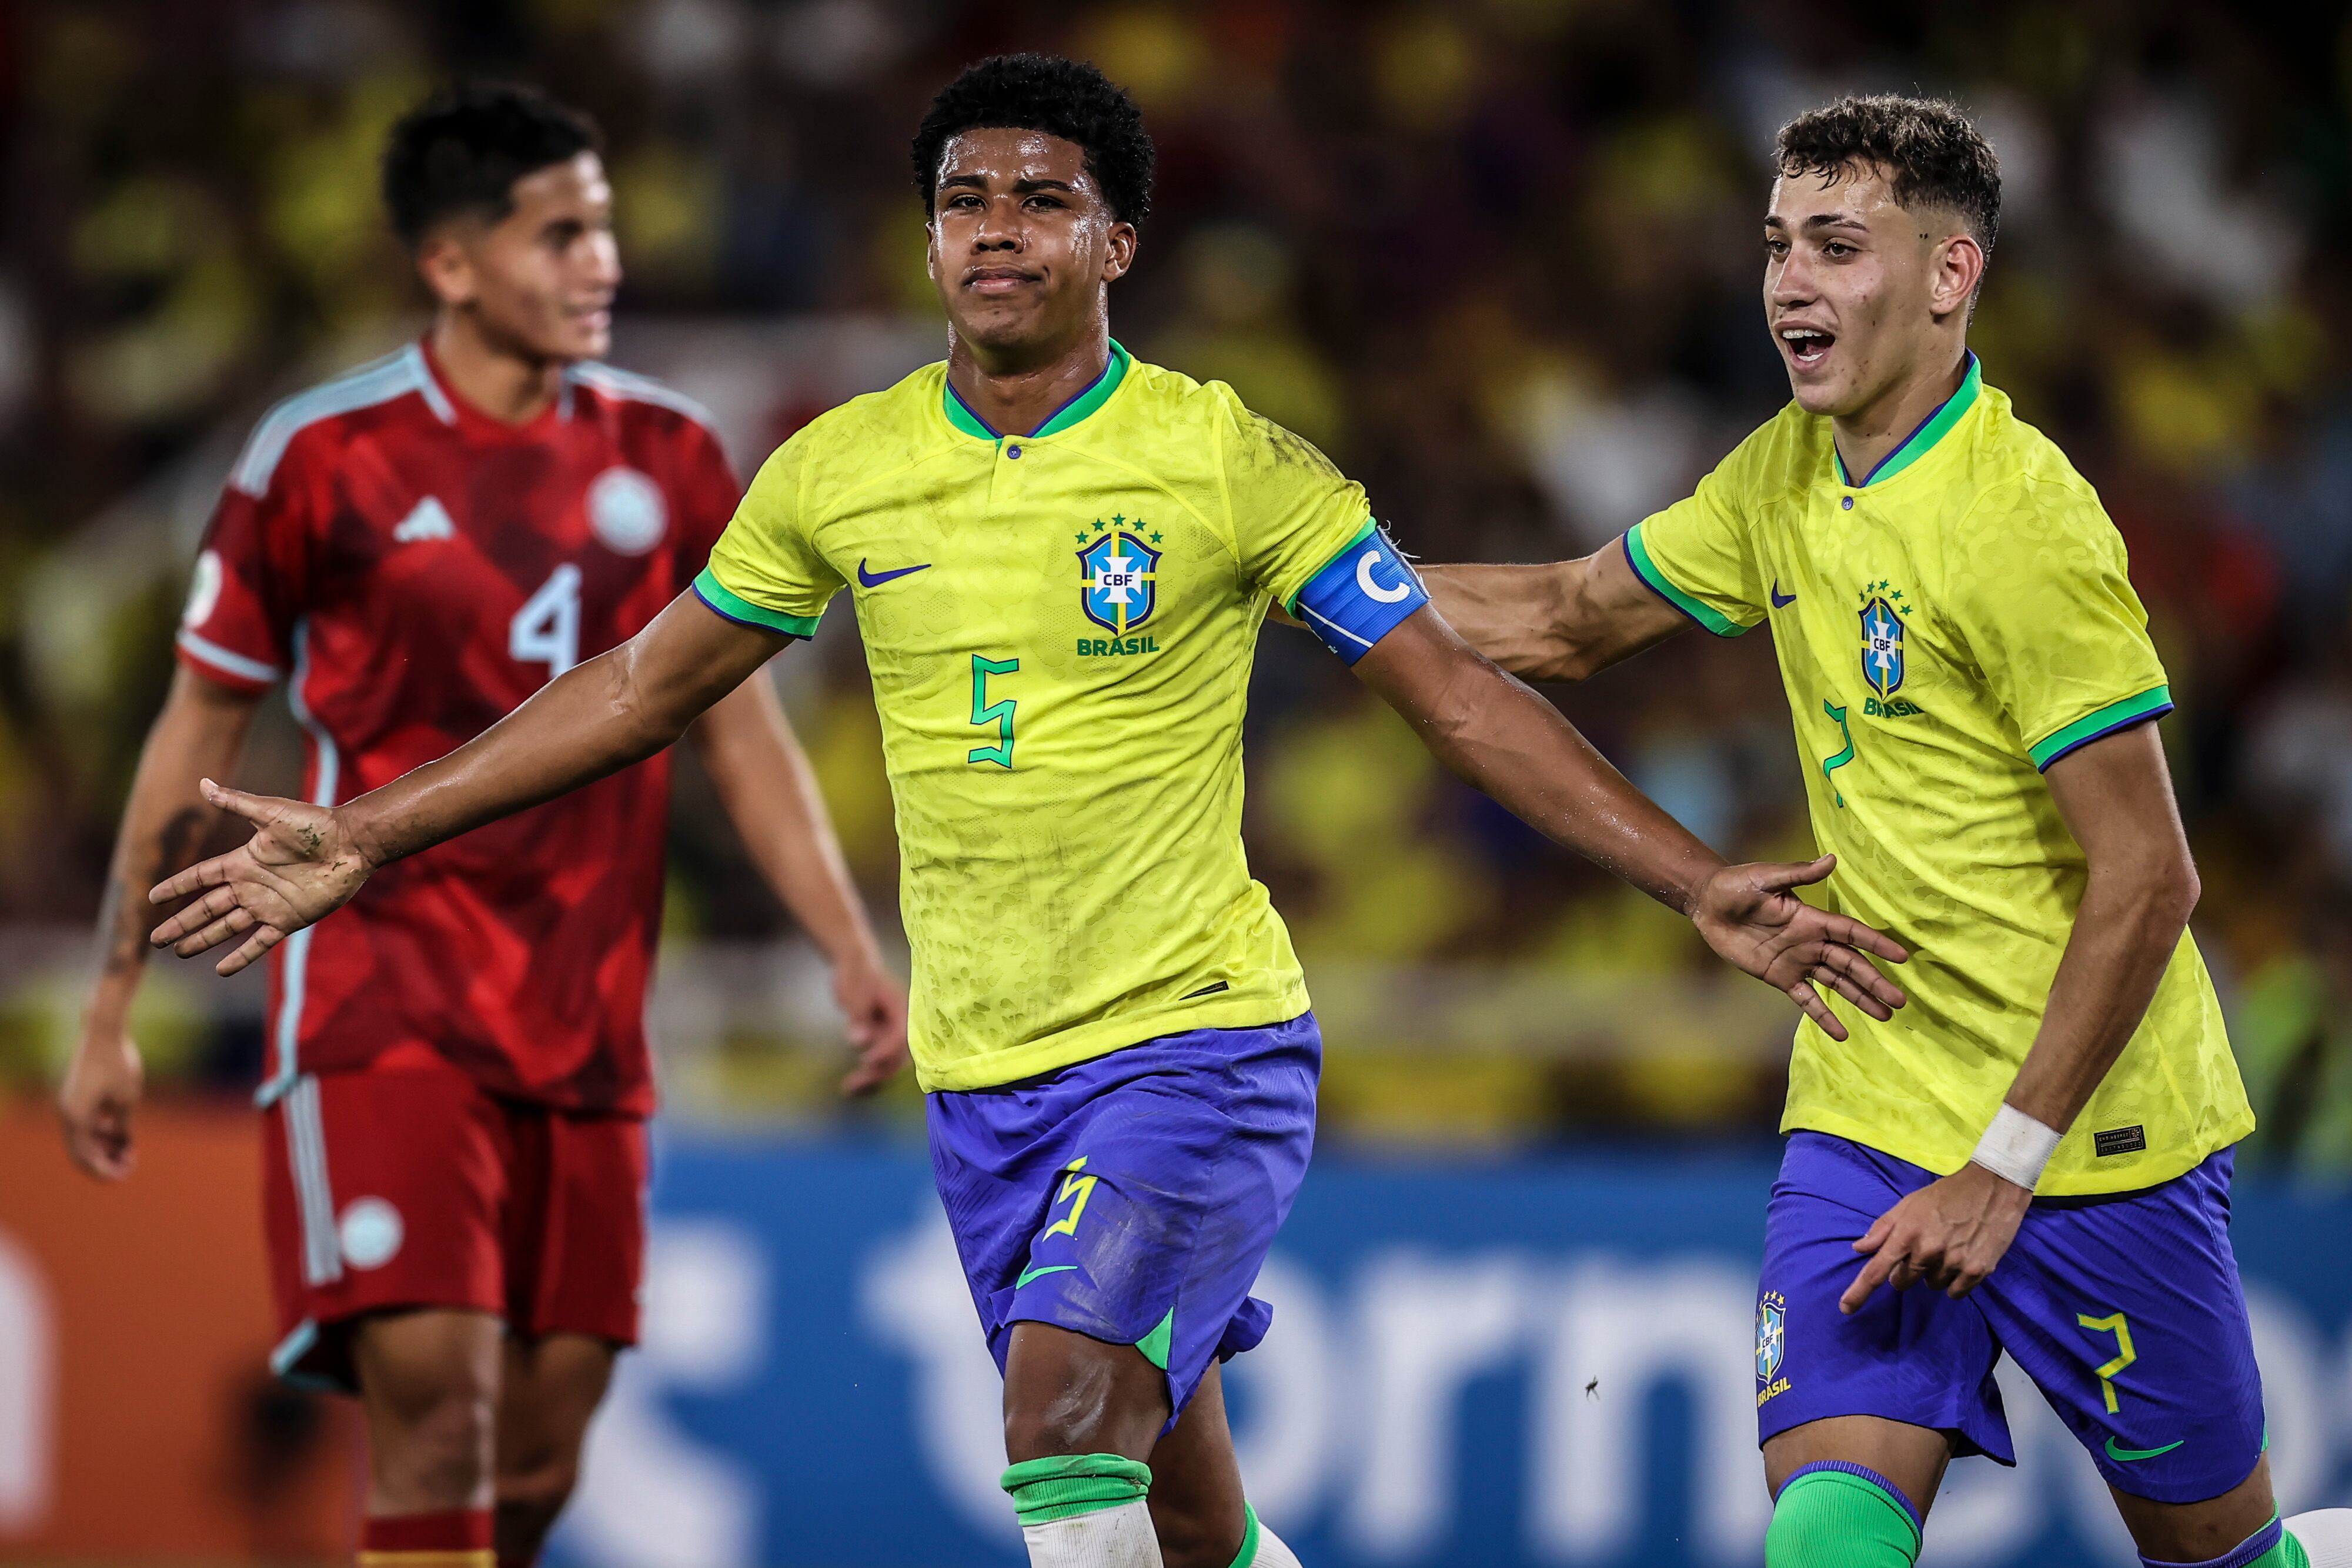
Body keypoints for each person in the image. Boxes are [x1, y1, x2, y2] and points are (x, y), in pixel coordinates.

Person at [143, 57, 1906, 1568]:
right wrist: (367, 828)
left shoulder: (1231, 461)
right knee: (1193, 1525)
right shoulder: (840, 468)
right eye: (963, 198)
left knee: (1059, 1416)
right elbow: (637, 686)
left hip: (1195, 1046)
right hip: (986, 1078)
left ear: (1113, 244)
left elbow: (1451, 687)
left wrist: (1689, 879)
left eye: (1039, 200)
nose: (992, 226)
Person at [1419, 94, 2352, 1568]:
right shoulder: (1786, 468)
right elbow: (1564, 617)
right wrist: (1302, 571)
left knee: (2219, 1558)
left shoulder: (2020, 525)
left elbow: (2150, 871)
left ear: (1946, 275)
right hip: (1867, 1095)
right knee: (1825, 1538)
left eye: (1836, 245)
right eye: (1778, 243)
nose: (1789, 281)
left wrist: (2004, 1161)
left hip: (2094, 1136)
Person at [57, 83, 907, 1568]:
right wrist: (112, 1000)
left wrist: (847, 940)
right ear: (450, 264)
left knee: (540, 1446)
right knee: (436, 1414)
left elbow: (745, 728)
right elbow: (191, 729)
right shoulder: (320, 459)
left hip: (588, 1011)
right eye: (561, 232)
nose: (604, 263)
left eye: (608, 229)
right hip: (379, 996)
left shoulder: (674, 455)